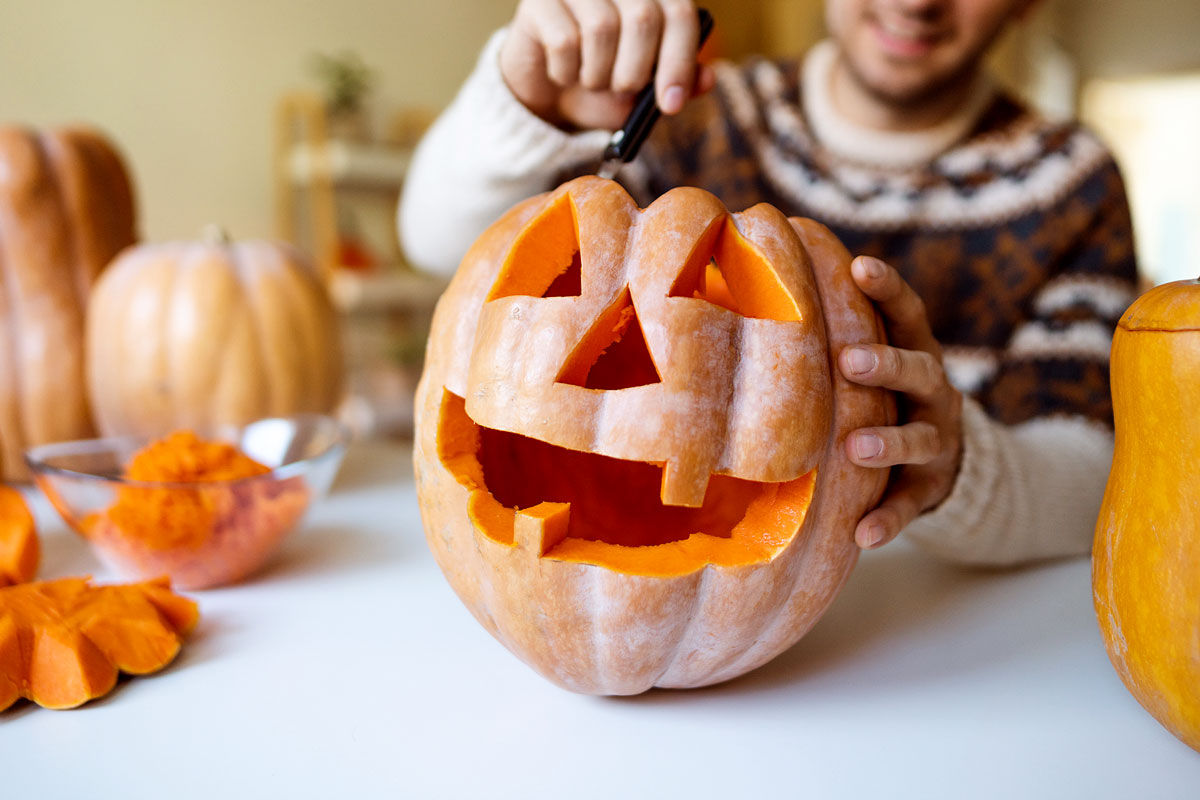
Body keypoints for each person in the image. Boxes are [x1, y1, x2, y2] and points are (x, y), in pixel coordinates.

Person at [398, 0, 1139, 565]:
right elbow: (443, 251)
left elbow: (1095, 475)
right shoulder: (685, 114)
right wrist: (525, 103)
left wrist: (959, 466)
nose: (917, 1)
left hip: (935, 640)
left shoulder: (1071, 181)